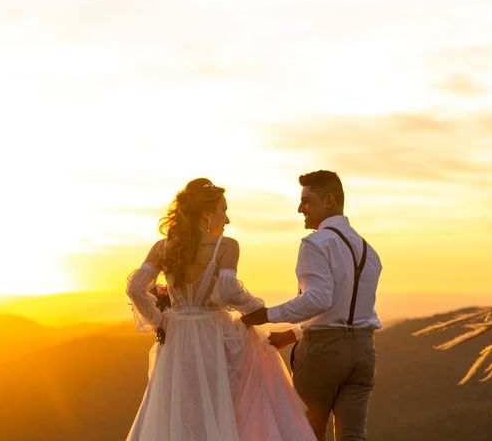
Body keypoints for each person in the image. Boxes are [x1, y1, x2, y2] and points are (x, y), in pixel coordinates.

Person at [125, 178, 316, 441]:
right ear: (206, 213)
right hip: (214, 336)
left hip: (176, 340)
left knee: (179, 410)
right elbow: (228, 291)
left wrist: (161, 321)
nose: (226, 220)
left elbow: (135, 288)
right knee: (222, 408)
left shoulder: (163, 247)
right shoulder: (225, 246)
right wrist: (259, 309)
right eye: (223, 210)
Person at [242, 170, 382, 441]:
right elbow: (345, 311)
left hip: (323, 355)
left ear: (329, 201)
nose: (300, 209)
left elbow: (319, 299)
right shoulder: (369, 250)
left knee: (306, 435)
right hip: (364, 353)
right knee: (353, 437)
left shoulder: (316, 243)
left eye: (307, 201)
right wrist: (294, 334)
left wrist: (265, 315)